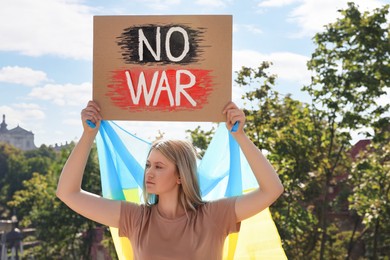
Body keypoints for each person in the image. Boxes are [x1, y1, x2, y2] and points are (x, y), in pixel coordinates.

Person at [56, 100, 284, 260]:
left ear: (180, 176)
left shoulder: (214, 216)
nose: (149, 173)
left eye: (159, 166)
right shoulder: (135, 218)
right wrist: (88, 135)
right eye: (148, 165)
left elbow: (272, 189)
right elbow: (68, 193)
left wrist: (239, 136)